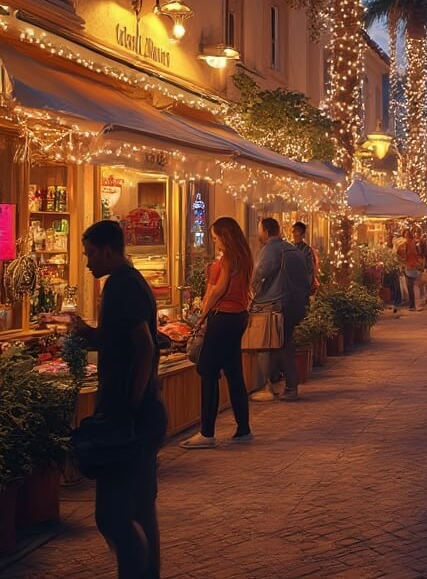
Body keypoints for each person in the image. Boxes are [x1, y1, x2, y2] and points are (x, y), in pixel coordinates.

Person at [73, 220, 167, 579]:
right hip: (147, 412)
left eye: (91, 254)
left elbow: (144, 346)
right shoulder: (131, 281)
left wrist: (131, 402)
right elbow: (125, 340)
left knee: (111, 516)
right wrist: (87, 333)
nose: (87, 263)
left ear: (108, 250)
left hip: (130, 417)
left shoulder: (121, 285)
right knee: (142, 507)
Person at [180, 217, 255, 448]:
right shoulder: (244, 257)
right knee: (233, 372)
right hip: (238, 316)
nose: (215, 243)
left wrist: (204, 311)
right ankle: (243, 428)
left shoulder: (228, 259)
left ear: (225, 236)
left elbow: (219, 290)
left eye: (215, 238)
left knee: (208, 371)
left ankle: (207, 432)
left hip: (223, 318)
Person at [251, 217, 308, 401]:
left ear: (266, 232)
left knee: (273, 346)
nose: (259, 234)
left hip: (276, 305)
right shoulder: (293, 250)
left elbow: (258, 274)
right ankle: (280, 384)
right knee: (283, 345)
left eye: (260, 230)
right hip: (295, 305)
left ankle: (278, 386)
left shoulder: (271, 250)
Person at [290, 221, 317, 299]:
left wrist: (306, 288)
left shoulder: (307, 250)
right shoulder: (289, 247)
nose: (295, 234)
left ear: (303, 234)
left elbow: (310, 270)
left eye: (297, 231)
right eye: (294, 231)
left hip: (302, 287)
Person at [399, 229, 423, 311]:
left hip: (409, 266)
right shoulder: (414, 243)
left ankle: (412, 305)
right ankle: (415, 304)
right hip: (414, 266)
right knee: (413, 286)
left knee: (410, 286)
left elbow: (403, 255)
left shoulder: (406, 244)